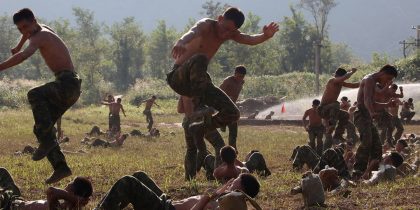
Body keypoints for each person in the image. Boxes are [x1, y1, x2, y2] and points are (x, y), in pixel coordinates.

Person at [167, 7, 279, 147]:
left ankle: (200, 129)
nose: (225, 34)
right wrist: (181, 41)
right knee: (201, 59)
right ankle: (199, 105)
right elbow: (193, 31)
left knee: (233, 113)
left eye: (230, 32)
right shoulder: (206, 25)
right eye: (225, 28)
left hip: (200, 81)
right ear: (220, 19)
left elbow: (249, 39)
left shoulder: (230, 33)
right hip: (179, 77)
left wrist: (265, 36)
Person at [0, 8, 82, 183]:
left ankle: (48, 144)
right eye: (20, 29)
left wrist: (1, 66)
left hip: (68, 83)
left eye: (26, 26)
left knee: (34, 94)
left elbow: (23, 56)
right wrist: (18, 44)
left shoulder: (41, 36)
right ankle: (61, 167)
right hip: (68, 86)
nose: (24, 31)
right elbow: (27, 36)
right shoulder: (39, 29)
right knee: (40, 129)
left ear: (34, 21)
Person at [95, 171, 260, 210]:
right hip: (168, 202)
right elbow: (213, 196)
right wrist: (219, 191)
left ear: (241, 189)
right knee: (140, 175)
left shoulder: (226, 205)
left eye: (234, 182)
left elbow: (204, 203)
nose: (230, 184)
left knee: (129, 182)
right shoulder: (224, 197)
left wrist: (204, 199)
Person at [353, 64, 398, 179]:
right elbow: (366, 100)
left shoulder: (374, 82)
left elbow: (373, 103)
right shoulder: (369, 80)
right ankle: (357, 172)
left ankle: (372, 173)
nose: (387, 82)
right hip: (361, 114)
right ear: (383, 73)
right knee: (367, 141)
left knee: (377, 146)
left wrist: (386, 105)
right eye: (388, 78)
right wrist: (372, 112)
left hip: (367, 116)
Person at [178, 96, 225, 180]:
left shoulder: (183, 91)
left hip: (188, 122)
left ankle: (189, 178)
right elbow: (212, 109)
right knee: (219, 145)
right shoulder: (201, 89)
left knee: (191, 150)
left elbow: (180, 109)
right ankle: (219, 175)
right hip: (202, 122)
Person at [0, 167, 92, 210]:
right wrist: (74, 199)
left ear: (72, 191)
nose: (67, 184)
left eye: (70, 183)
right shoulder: (64, 203)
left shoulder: (62, 207)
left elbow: (51, 191)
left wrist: (73, 198)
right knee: (2, 172)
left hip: (8, 206)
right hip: (16, 199)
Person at [318, 68, 359, 147]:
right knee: (336, 104)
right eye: (342, 77)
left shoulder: (340, 83)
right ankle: (331, 125)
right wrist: (352, 72)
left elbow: (353, 85)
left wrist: (364, 82)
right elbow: (345, 77)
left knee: (345, 115)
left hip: (331, 110)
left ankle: (338, 134)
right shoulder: (332, 80)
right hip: (322, 109)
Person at [219, 65, 246, 150]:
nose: (239, 78)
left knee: (233, 131)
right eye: (238, 76)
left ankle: (232, 148)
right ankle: (222, 123)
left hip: (232, 108)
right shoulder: (228, 81)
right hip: (223, 107)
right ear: (234, 74)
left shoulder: (241, 82)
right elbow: (218, 92)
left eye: (241, 77)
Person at [205, 148, 271, 181]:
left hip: (224, 165)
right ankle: (263, 173)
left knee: (208, 157)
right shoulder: (242, 170)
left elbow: (216, 171)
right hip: (243, 165)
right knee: (257, 154)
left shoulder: (217, 172)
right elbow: (245, 168)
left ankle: (209, 177)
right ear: (235, 156)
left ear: (222, 158)